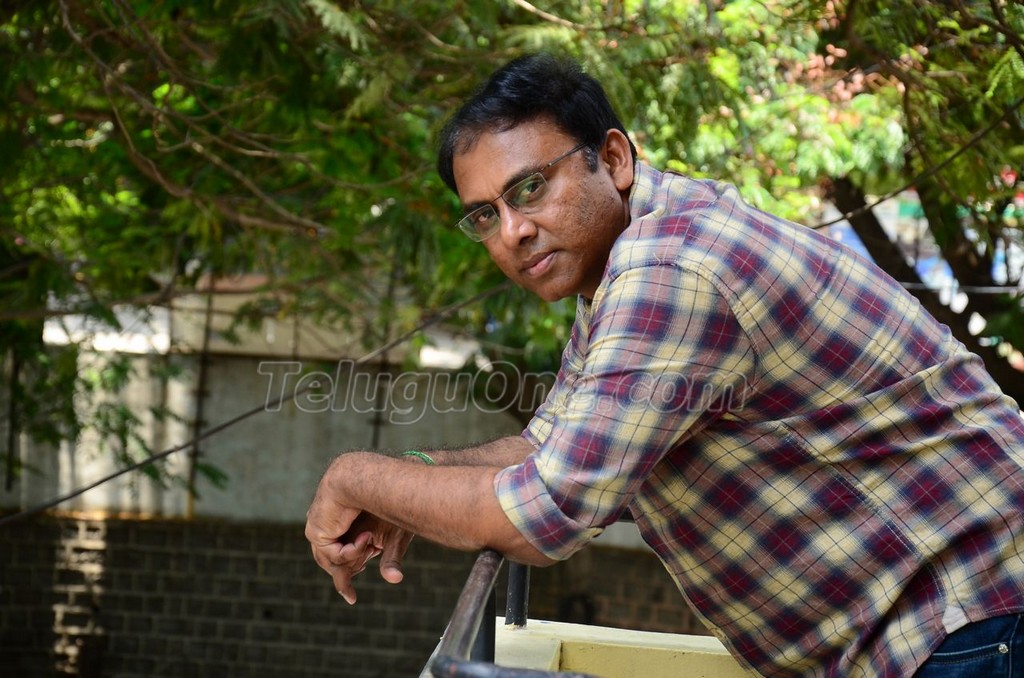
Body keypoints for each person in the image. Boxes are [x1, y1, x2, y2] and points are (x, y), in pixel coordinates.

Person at [305, 53, 1024, 676]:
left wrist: (355, 476)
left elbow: (544, 515)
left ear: (614, 160)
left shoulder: (669, 265)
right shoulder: (620, 268)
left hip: (975, 619)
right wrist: (412, 476)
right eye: (485, 215)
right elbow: (546, 447)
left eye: (529, 188)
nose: (513, 231)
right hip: (956, 623)